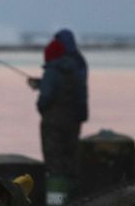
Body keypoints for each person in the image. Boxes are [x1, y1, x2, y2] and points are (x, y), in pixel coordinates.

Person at [27, 28, 89, 189]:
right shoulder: (78, 66)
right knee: (70, 160)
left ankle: (57, 201)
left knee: (54, 163)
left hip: (53, 122)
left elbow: (46, 97)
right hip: (74, 120)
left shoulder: (52, 70)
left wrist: (42, 108)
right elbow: (73, 91)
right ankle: (72, 197)